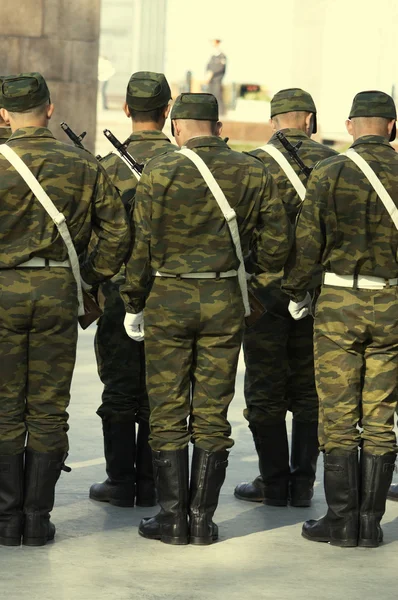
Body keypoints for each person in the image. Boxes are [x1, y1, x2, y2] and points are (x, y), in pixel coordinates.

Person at [121, 92, 291, 546]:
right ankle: (203, 519)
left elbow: (141, 247)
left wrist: (134, 302)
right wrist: (255, 296)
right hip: (224, 300)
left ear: (177, 128)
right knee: (213, 412)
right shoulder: (253, 170)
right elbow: (277, 245)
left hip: (169, 297)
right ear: (217, 126)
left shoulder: (160, 169)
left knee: (169, 410)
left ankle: (173, 518)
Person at [0, 72, 130, 547]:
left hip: (3, 291)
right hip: (58, 289)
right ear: (50, 110)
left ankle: (5, 518)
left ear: (3, 114)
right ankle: (37, 519)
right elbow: (117, 232)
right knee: (50, 409)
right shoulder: (81, 165)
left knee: (5, 409)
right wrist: (89, 277)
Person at [282, 90, 398, 548]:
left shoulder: (330, 170)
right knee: (380, 416)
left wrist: (296, 291)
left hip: (338, 304)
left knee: (337, 414)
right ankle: (370, 525)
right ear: (392, 126)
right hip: (392, 304)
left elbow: (307, 241)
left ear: (351, 125)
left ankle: (340, 520)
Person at [235, 89, 337, 507]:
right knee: (311, 390)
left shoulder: (253, 164)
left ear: (273, 121)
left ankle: (272, 482)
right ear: (310, 120)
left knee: (265, 388)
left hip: (265, 292)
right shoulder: (334, 165)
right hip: (319, 290)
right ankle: (303, 483)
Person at [89, 71, 177, 509]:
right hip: (171, 294)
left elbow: (93, 238)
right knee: (161, 391)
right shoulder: (185, 166)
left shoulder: (105, 168)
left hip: (117, 295)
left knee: (120, 389)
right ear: (168, 111)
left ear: (126, 109)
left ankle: (121, 482)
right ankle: (155, 481)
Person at [205, 39, 227, 116]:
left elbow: (220, 67)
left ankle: (221, 114)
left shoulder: (222, 56)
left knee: (218, 96)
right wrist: (207, 74)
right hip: (210, 81)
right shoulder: (212, 57)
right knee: (210, 96)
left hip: (217, 80)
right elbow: (208, 66)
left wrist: (212, 73)